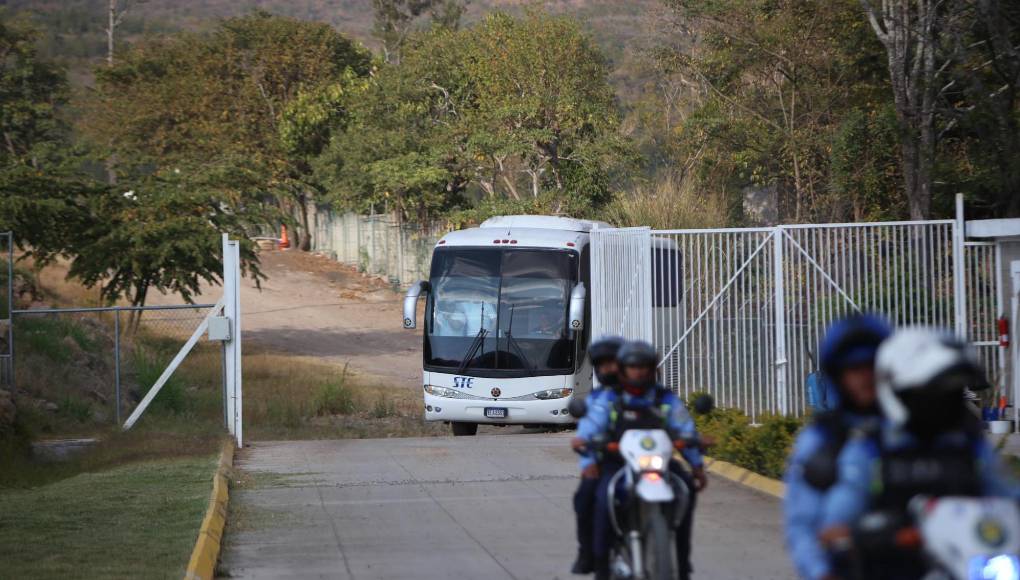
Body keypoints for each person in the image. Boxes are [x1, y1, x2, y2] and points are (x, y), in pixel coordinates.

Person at [818, 328, 1019, 579]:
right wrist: (878, 535)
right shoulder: (870, 450)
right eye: (931, 395)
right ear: (901, 393)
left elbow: (1007, 494)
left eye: (950, 396)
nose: (942, 405)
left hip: (968, 568)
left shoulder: (969, 447)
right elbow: (833, 529)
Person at [574, 340, 707, 580]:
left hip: (660, 461)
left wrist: (696, 463)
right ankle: (601, 569)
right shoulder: (609, 398)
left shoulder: (665, 397)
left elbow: (683, 425)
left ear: (653, 368)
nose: (639, 371)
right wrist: (588, 449)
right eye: (633, 366)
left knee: (686, 488)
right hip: (617, 463)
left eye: (644, 366)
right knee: (603, 499)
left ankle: (682, 563)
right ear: (623, 369)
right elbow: (591, 427)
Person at [784, 314, 891, 580]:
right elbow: (802, 525)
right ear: (838, 374)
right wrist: (820, 571)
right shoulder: (821, 439)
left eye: (872, 365)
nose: (866, 376)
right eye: (855, 368)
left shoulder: (920, 429)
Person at [571, 336, 625, 574]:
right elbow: (587, 431)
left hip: (646, 460)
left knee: (683, 486)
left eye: (612, 363)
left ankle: (681, 558)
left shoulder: (648, 394)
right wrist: (589, 461)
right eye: (602, 365)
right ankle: (588, 551)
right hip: (609, 462)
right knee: (586, 497)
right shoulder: (597, 400)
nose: (608, 369)